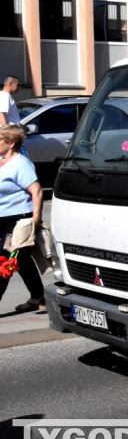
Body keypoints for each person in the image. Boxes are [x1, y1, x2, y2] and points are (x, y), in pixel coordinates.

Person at [0, 125, 45, 312]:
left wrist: (35, 221)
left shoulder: (21, 164)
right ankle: (38, 296)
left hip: (18, 219)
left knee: (5, 260)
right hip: (2, 218)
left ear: (10, 143)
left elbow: (37, 191)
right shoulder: (1, 161)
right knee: (22, 261)